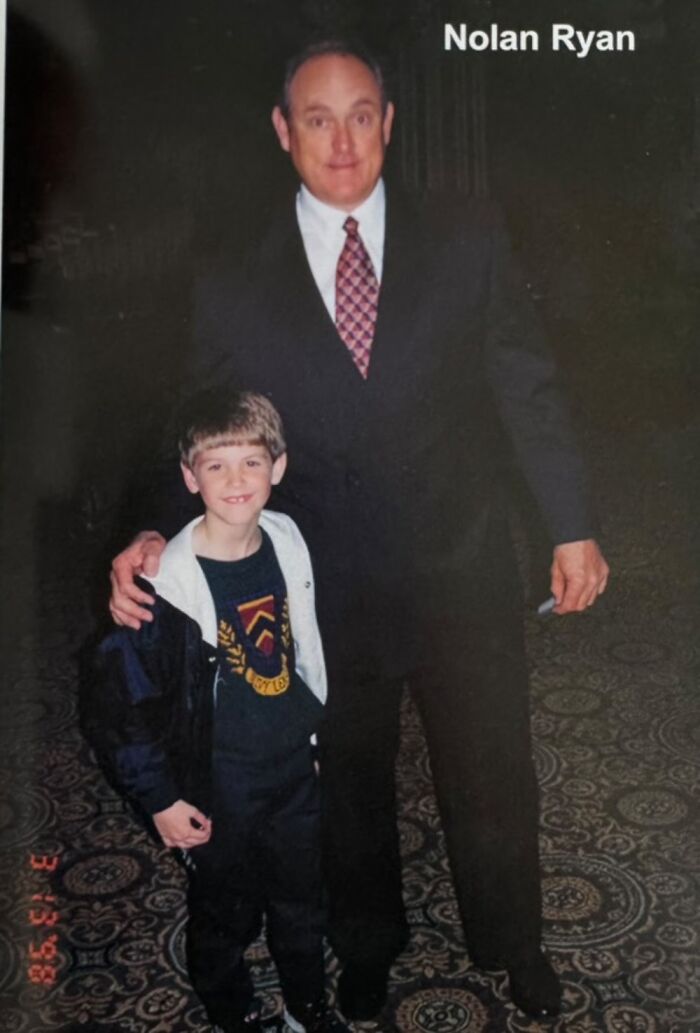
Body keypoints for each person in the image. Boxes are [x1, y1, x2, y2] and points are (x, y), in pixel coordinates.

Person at [109, 39, 610, 1022]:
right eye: (317, 117)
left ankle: (514, 941)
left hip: (459, 561)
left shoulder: (466, 237)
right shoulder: (231, 275)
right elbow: (185, 414)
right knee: (344, 783)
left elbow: (525, 384)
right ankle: (367, 944)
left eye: (360, 114)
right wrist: (147, 530)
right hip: (320, 583)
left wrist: (571, 520)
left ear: (387, 122)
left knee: (492, 766)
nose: (341, 139)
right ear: (282, 131)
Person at [87, 389, 349, 1033]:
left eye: (252, 462)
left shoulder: (288, 539)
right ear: (188, 477)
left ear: (278, 467)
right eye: (216, 465)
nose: (236, 480)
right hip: (219, 780)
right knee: (224, 906)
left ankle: (306, 1005)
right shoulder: (163, 587)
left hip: (291, 768)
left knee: (301, 900)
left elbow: (301, 644)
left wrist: (311, 741)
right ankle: (230, 1007)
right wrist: (160, 800)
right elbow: (118, 711)